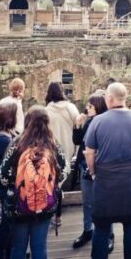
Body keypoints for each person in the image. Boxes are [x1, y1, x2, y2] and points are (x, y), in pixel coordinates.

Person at [85, 82, 131, 259]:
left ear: (109, 98)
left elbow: (89, 152)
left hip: (104, 179)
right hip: (130, 179)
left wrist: (93, 172)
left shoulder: (98, 121)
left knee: (101, 226)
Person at [0, 106, 65, 259]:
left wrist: (19, 184)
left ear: (27, 121)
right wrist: (46, 183)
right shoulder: (53, 143)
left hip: (18, 204)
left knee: (18, 248)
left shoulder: (17, 143)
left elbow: (2, 174)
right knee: (39, 247)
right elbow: (64, 169)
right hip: (45, 204)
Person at [72, 94, 110, 250]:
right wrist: (77, 126)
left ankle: (109, 234)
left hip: (100, 167)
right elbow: (77, 141)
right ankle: (88, 230)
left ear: (99, 107)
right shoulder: (88, 122)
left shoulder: (104, 123)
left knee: (103, 202)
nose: (87, 109)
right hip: (84, 165)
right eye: (87, 106)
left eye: (90, 106)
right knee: (87, 202)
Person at [45, 81, 79, 227]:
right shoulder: (71, 108)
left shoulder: (46, 110)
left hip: (52, 148)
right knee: (61, 176)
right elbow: (78, 127)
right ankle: (57, 210)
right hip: (68, 145)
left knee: (53, 179)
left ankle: (54, 211)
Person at [0, 101, 20, 259]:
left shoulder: (4, 134)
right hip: (5, 185)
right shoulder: (2, 139)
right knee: (7, 222)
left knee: (11, 220)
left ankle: (9, 252)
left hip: (6, 184)